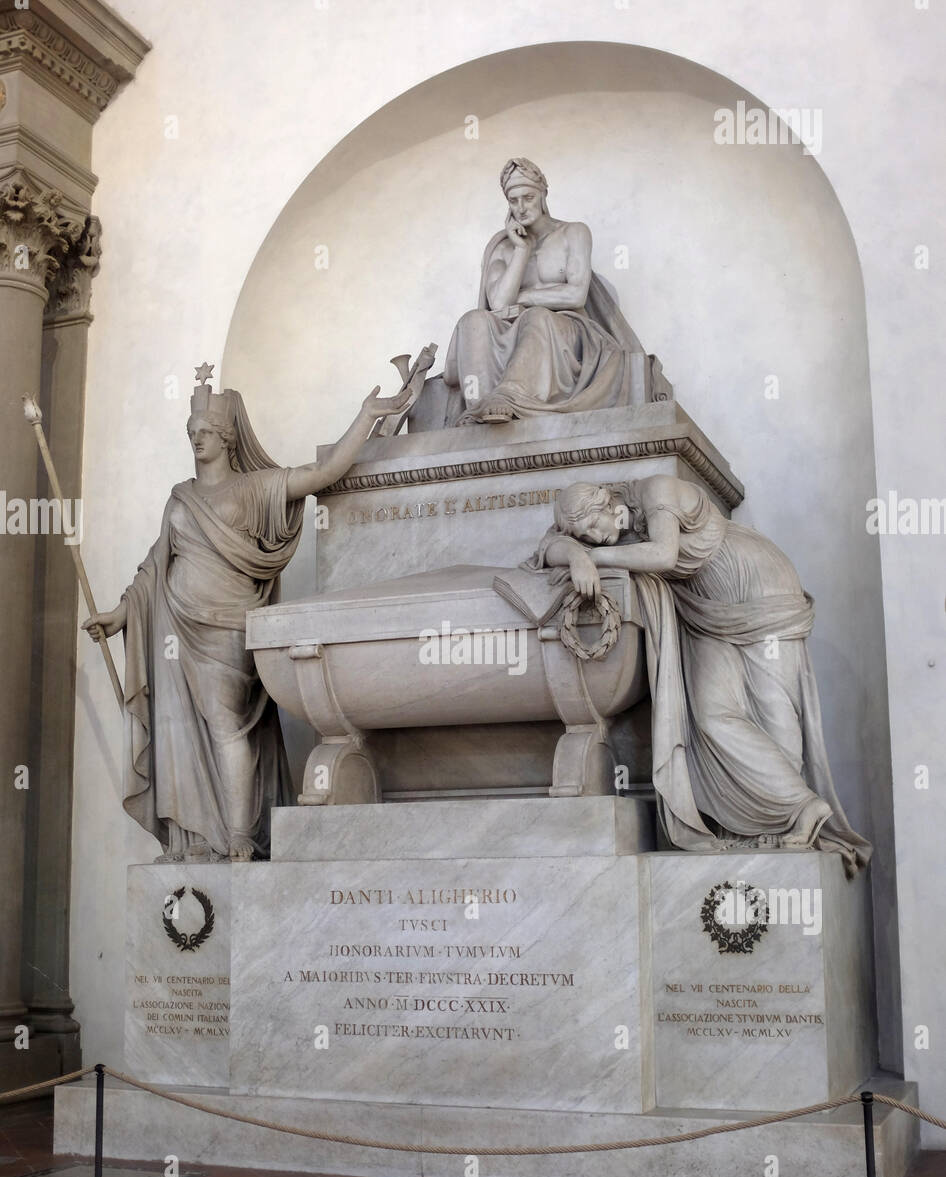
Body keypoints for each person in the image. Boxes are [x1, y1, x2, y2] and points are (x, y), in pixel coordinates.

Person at [83, 369, 410, 863]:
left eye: (205, 433)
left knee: (226, 723)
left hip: (228, 628)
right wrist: (119, 614)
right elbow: (154, 566)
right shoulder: (181, 496)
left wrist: (364, 417)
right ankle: (193, 838)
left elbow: (319, 477)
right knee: (177, 727)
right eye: (191, 433)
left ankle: (238, 833)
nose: (196, 440)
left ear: (227, 438)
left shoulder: (255, 488)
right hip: (174, 626)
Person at [524, 474, 871, 874]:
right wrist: (575, 555)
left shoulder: (657, 491)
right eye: (585, 538)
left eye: (592, 530)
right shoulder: (601, 532)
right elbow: (547, 546)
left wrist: (592, 559)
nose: (596, 540)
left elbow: (664, 555)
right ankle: (798, 806)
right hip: (704, 609)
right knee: (710, 714)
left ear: (605, 503)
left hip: (757, 586)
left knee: (774, 711)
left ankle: (790, 821)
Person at [443, 157, 645, 424]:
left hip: (569, 333)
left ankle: (510, 396)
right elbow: (499, 304)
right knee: (472, 320)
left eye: (528, 197)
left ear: (543, 194)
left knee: (536, 316)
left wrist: (526, 298)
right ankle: (480, 407)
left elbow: (575, 296)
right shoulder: (503, 247)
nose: (521, 207)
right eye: (513, 201)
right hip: (515, 330)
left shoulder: (573, 232)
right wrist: (521, 250)